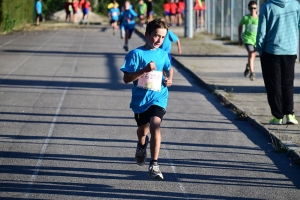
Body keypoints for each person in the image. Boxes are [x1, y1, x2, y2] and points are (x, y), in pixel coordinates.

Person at [120, 19, 173, 179]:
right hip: (140, 101)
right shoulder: (135, 54)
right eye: (156, 36)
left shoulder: (163, 55)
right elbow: (127, 78)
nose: (159, 40)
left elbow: (169, 69)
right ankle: (142, 144)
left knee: (155, 125)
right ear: (147, 34)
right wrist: (143, 70)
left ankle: (154, 164)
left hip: (159, 97)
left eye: (163, 37)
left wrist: (169, 80)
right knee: (143, 130)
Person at [256, 0, 300, 125]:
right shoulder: (296, 5)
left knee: (273, 84)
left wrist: (260, 49)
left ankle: (277, 116)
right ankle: (290, 114)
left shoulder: (267, 6)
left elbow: (261, 31)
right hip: (290, 51)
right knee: (288, 83)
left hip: (271, 51)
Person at [238, 1, 258, 81]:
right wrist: (240, 37)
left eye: (254, 8)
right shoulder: (246, 18)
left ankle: (248, 66)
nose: (253, 10)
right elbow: (240, 26)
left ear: (256, 8)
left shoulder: (259, 18)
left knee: (253, 56)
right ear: (248, 9)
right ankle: (252, 73)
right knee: (251, 54)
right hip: (248, 39)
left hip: (256, 40)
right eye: (251, 8)